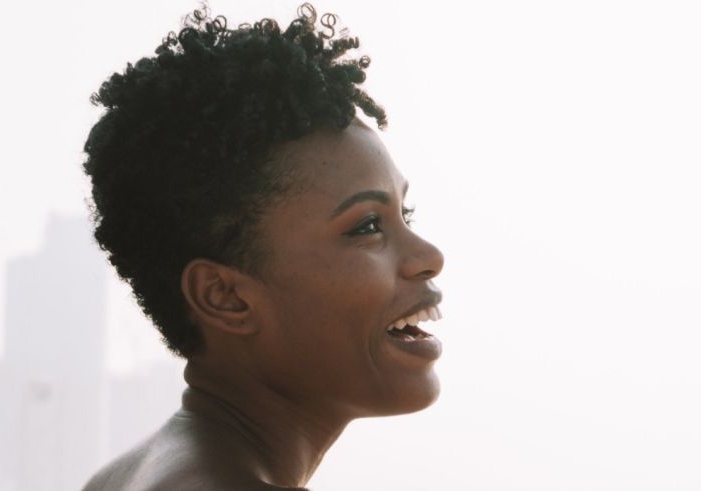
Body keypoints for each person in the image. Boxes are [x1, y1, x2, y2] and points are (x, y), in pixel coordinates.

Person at [81, 3, 444, 490]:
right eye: (368, 226)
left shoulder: (122, 477)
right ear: (224, 295)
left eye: (406, 214)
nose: (428, 257)